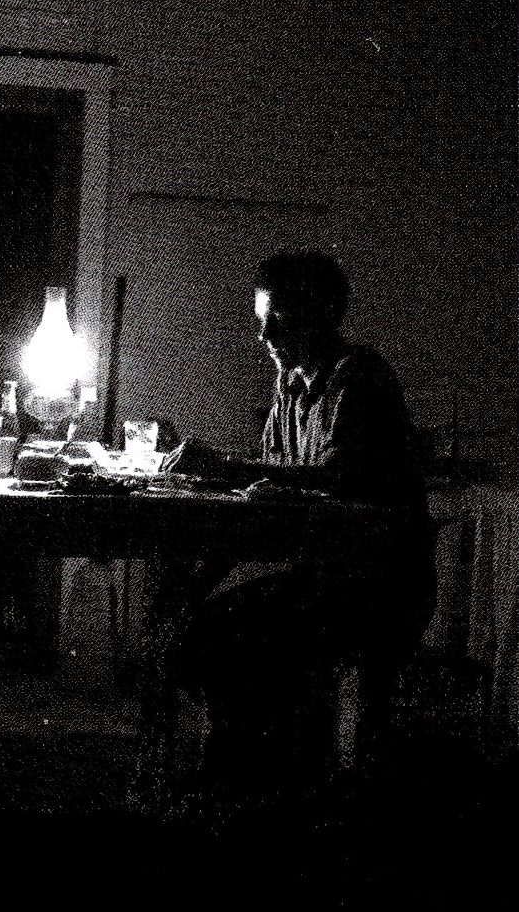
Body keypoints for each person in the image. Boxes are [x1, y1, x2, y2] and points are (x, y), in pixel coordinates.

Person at [169, 249, 436, 804]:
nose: (267, 337)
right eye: (262, 322)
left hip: (380, 581)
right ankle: (254, 779)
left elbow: (339, 478)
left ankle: (257, 786)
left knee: (233, 637)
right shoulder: (289, 385)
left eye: (281, 323)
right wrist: (198, 576)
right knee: (200, 630)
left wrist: (230, 468)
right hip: (324, 574)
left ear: (324, 316)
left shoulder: (358, 379)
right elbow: (264, 499)